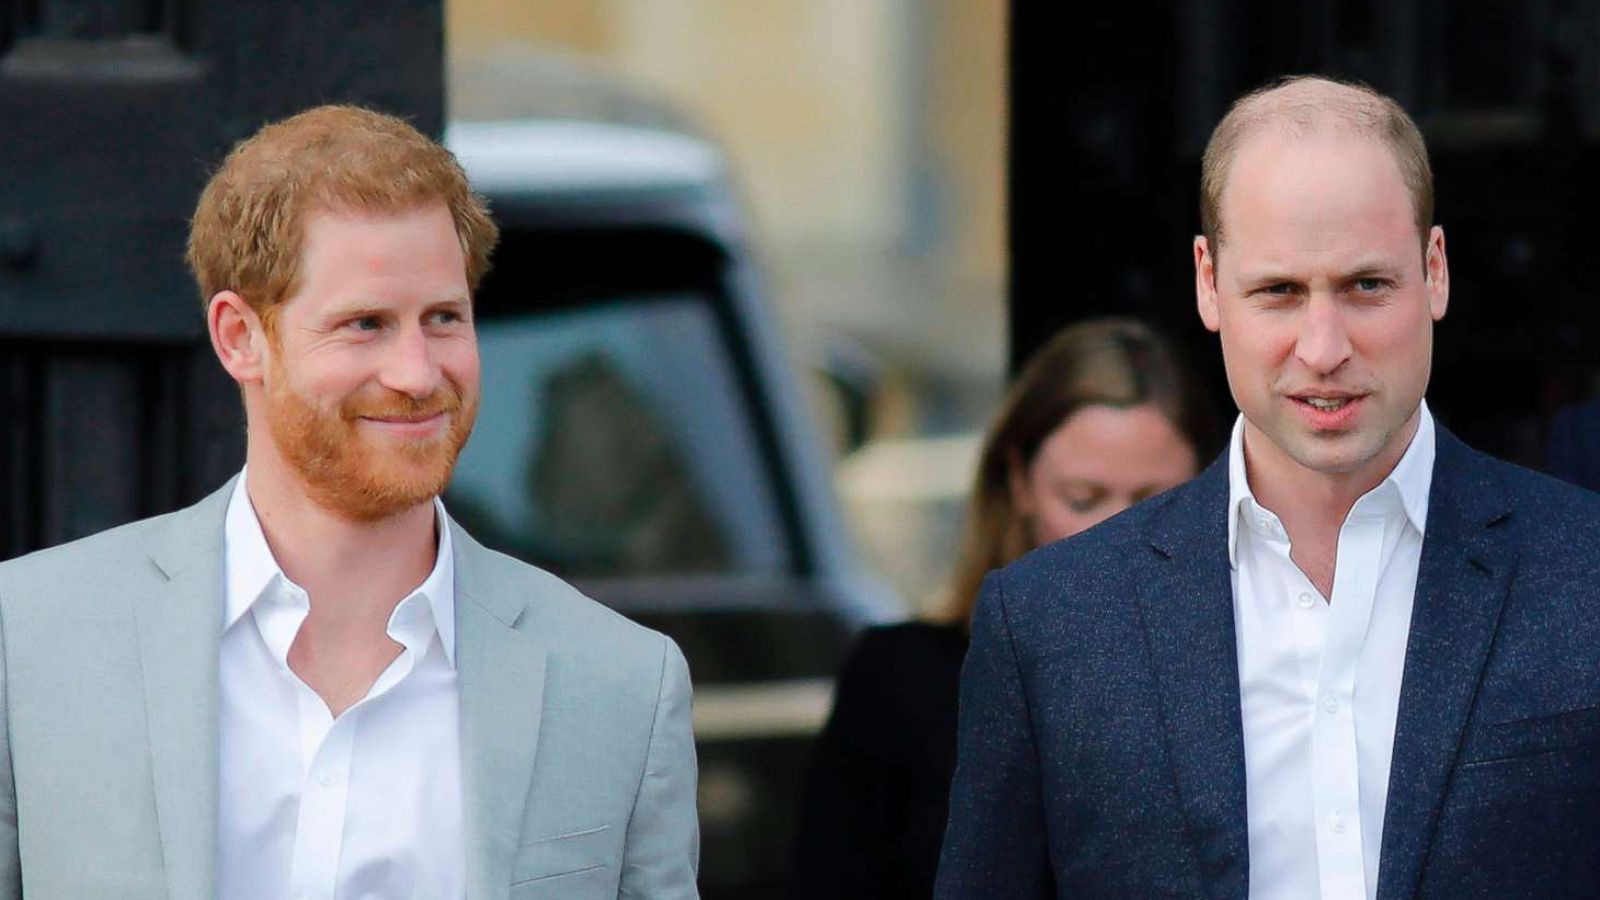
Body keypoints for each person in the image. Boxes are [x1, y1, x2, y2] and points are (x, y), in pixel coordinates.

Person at [0, 106, 699, 899]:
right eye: (365, 324)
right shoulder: (26, 644)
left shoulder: (620, 683)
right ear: (239, 338)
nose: (416, 372)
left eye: (443, 318)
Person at [936, 75, 1600, 900]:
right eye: (1280, 291)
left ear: (1434, 271)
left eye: (1365, 285)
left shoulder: (1584, 573)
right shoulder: (1052, 625)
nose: (1322, 347)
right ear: (1209, 284)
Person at [793, 318, 1212, 899]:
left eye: (1155, 502)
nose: (1117, 533)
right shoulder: (903, 679)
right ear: (1018, 484)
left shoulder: (1241, 674)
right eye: (1083, 499)